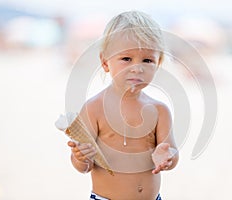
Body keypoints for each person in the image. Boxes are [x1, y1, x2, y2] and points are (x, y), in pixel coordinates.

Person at [67, 11, 179, 200]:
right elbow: (84, 168)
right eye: (126, 59)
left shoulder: (160, 111)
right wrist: (80, 157)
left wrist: (168, 156)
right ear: (105, 62)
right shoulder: (94, 108)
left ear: (158, 63)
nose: (137, 67)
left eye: (147, 60)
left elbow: (173, 156)